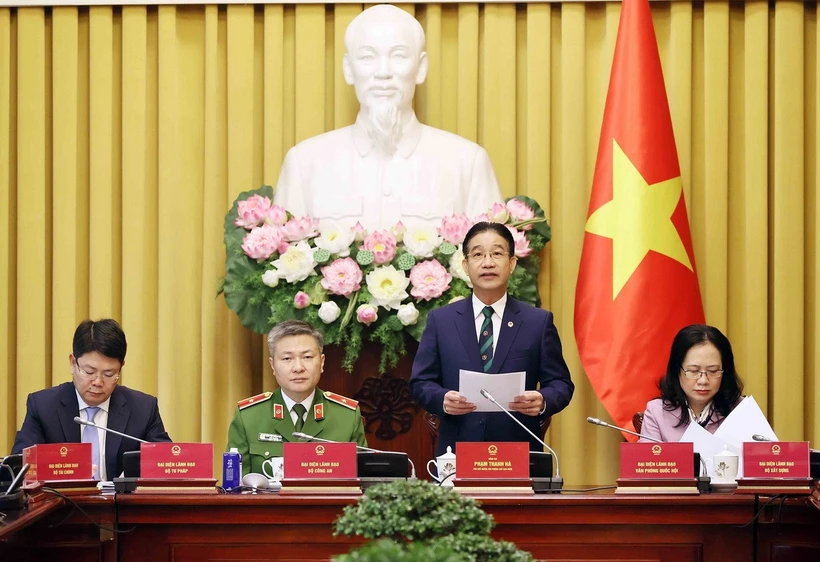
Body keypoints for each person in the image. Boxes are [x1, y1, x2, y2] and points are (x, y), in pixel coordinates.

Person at [274, 4, 502, 232]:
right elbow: (278, 260)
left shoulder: (466, 163)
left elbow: (493, 260)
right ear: (348, 69)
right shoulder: (305, 163)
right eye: (367, 57)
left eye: (399, 56)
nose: (383, 72)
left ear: (421, 67)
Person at [409, 222, 574, 456]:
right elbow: (419, 384)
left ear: (512, 263)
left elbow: (561, 384)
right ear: (465, 265)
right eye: (478, 254)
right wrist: (443, 399)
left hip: (519, 454)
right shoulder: (441, 321)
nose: (488, 263)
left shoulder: (537, 322)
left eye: (497, 253)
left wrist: (543, 399)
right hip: (456, 453)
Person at [12, 319, 171, 480]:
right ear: (73, 363)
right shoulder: (43, 406)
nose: (98, 382)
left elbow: (167, 464)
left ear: (120, 368)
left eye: (109, 374)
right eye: (89, 372)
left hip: (121, 504)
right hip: (63, 504)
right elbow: (19, 468)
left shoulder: (143, 408)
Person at [227, 320, 368, 476]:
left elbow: (362, 483)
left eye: (307, 357)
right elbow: (235, 488)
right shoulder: (248, 417)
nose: (298, 368)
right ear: (273, 365)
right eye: (287, 359)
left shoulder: (346, 416)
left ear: (321, 362)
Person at [640, 324, 745, 442]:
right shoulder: (657, 412)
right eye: (693, 371)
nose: (703, 381)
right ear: (677, 370)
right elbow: (648, 459)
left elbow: (762, 457)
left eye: (713, 371)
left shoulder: (742, 410)